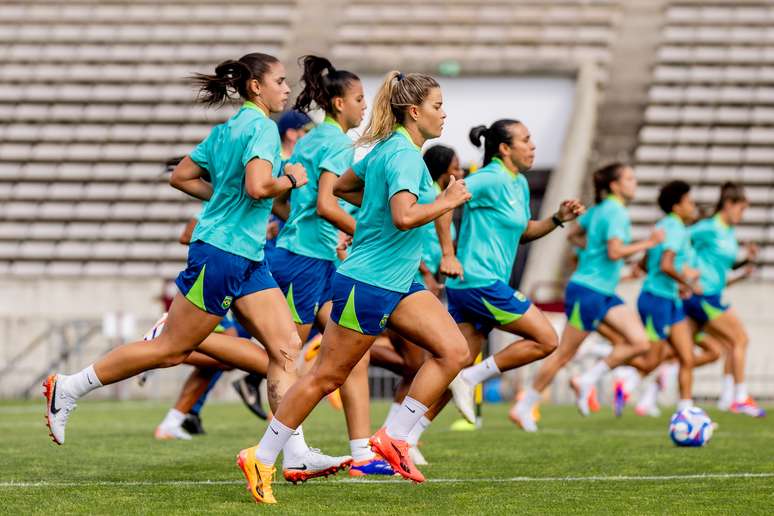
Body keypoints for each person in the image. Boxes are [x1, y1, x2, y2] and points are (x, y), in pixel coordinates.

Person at [44, 53, 348, 478]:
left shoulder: (228, 130)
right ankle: (69, 387)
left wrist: (225, 201)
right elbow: (260, 186)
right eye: (279, 81)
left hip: (248, 257)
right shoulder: (260, 127)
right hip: (223, 253)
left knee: (285, 350)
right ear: (256, 87)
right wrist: (292, 179)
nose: (286, 88)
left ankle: (293, 453)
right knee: (170, 351)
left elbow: (182, 176)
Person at [235, 70, 472, 504]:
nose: (444, 114)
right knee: (326, 376)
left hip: (398, 281)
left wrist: (379, 208)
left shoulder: (389, 150)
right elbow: (403, 216)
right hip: (368, 281)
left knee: (455, 351)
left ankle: (393, 437)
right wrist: (446, 201)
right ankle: (261, 455)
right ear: (414, 111)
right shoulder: (401, 155)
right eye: (438, 106)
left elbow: (345, 187)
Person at [269, 55, 393, 477]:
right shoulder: (337, 143)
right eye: (359, 99)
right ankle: (292, 450)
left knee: (355, 355)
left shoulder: (308, 139)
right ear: (339, 103)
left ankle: (361, 455)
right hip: (304, 260)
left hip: (318, 259)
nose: (364, 106)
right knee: (284, 354)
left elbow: (288, 201)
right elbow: (324, 204)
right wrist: (363, 231)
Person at [438, 119, 584, 424]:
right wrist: (448, 254)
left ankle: (403, 436)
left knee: (452, 364)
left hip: (480, 284)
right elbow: (446, 200)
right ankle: (472, 377)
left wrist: (558, 218)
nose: (533, 146)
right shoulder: (490, 177)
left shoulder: (517, 183)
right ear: (505, 149)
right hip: (478, 282)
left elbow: (524, 231)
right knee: (546, 339)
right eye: (526, 140)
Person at [512, 164, 664, 429]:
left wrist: (592, 251)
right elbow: (615, 252)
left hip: (601, 291)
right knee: (563, 354)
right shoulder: (615, 211)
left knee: (639, 342)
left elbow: (573, 235)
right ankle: (524, 405)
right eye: (629, 178)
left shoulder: (598, 210)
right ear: (615, 186)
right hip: (589, 290)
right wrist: (649, 244)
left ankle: (587, 379)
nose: (634, 182)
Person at [683, 182, 764, 417]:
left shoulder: (728, 232)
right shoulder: (708, 228)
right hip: (703, 296)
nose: (742, 215)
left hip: (713, 294)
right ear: (728, 205)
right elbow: (677, 241)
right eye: (741, 209)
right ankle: (739, 397)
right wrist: (685, 273)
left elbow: (720, 266)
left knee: (729, 345)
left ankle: (729, 397)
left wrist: (745, 262)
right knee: (740, 338)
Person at [631, 180, 701, 412]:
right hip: (656, 299)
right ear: (677, 206)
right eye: (689, 202)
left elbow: (644, 263)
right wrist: (687, 282)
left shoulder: (665, 226)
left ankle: (686, 411)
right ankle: (613, 365)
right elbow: (666, 265)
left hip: (670, 299)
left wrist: (679, 283)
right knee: (652, 361)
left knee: (686, 357)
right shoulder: (674, 228)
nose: (693, 206)